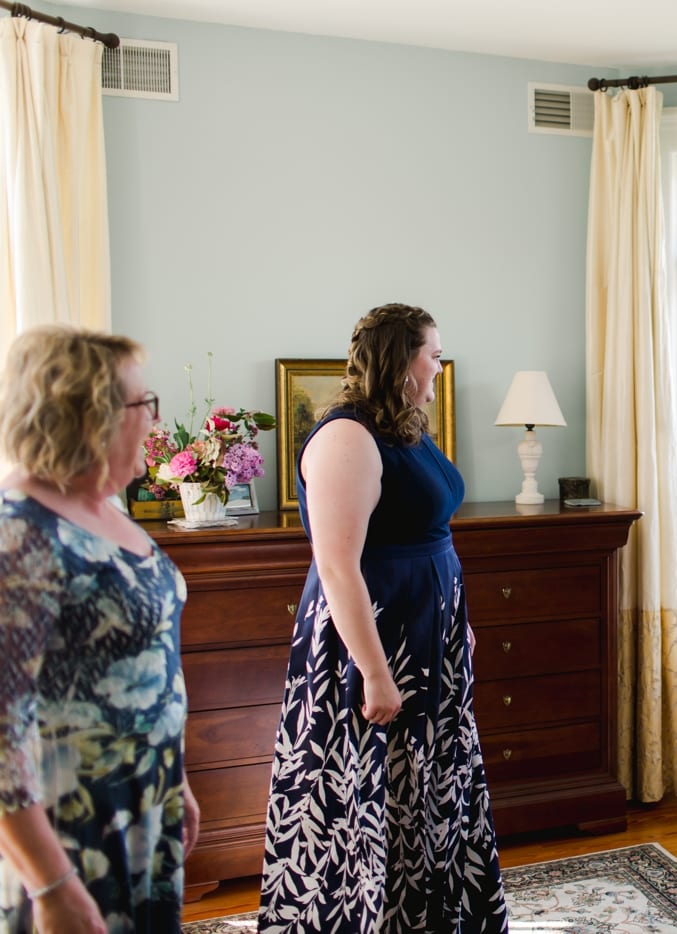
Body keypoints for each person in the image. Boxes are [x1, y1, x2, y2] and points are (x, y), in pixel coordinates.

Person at [259, 303, 508, 933]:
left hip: (430, 632)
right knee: (372, 794)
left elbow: (432, 534)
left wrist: (458, 626)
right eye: (433, 353)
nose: (440, 366)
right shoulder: (347, 437)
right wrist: (373, 672)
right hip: (374, 640)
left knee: (426, 794)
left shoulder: (404, 427)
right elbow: (339, 566)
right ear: (403, 362)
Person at [0, 326, 200, 932]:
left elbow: (152, 660)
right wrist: (52, 882)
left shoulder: (103, 509)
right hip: (74, 824)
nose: (153, 420)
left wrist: (178, 779)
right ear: (89, 413)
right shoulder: (21, 531)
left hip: (144, 802)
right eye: (144, 404)